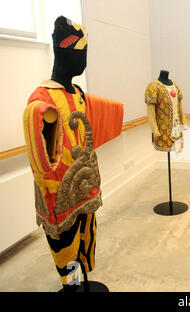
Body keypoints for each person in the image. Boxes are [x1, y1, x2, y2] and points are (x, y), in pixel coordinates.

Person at [23, 16, 123, 291]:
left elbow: (97, 113)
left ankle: (82, 277)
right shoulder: (41, 99)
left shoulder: (77, 93)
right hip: (60, 191)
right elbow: (43, 153)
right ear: (64, 51)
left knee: (86, 233)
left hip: (85, 184)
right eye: (82, 52)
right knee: (65, 243)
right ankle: (71, 284)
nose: (84, 60)